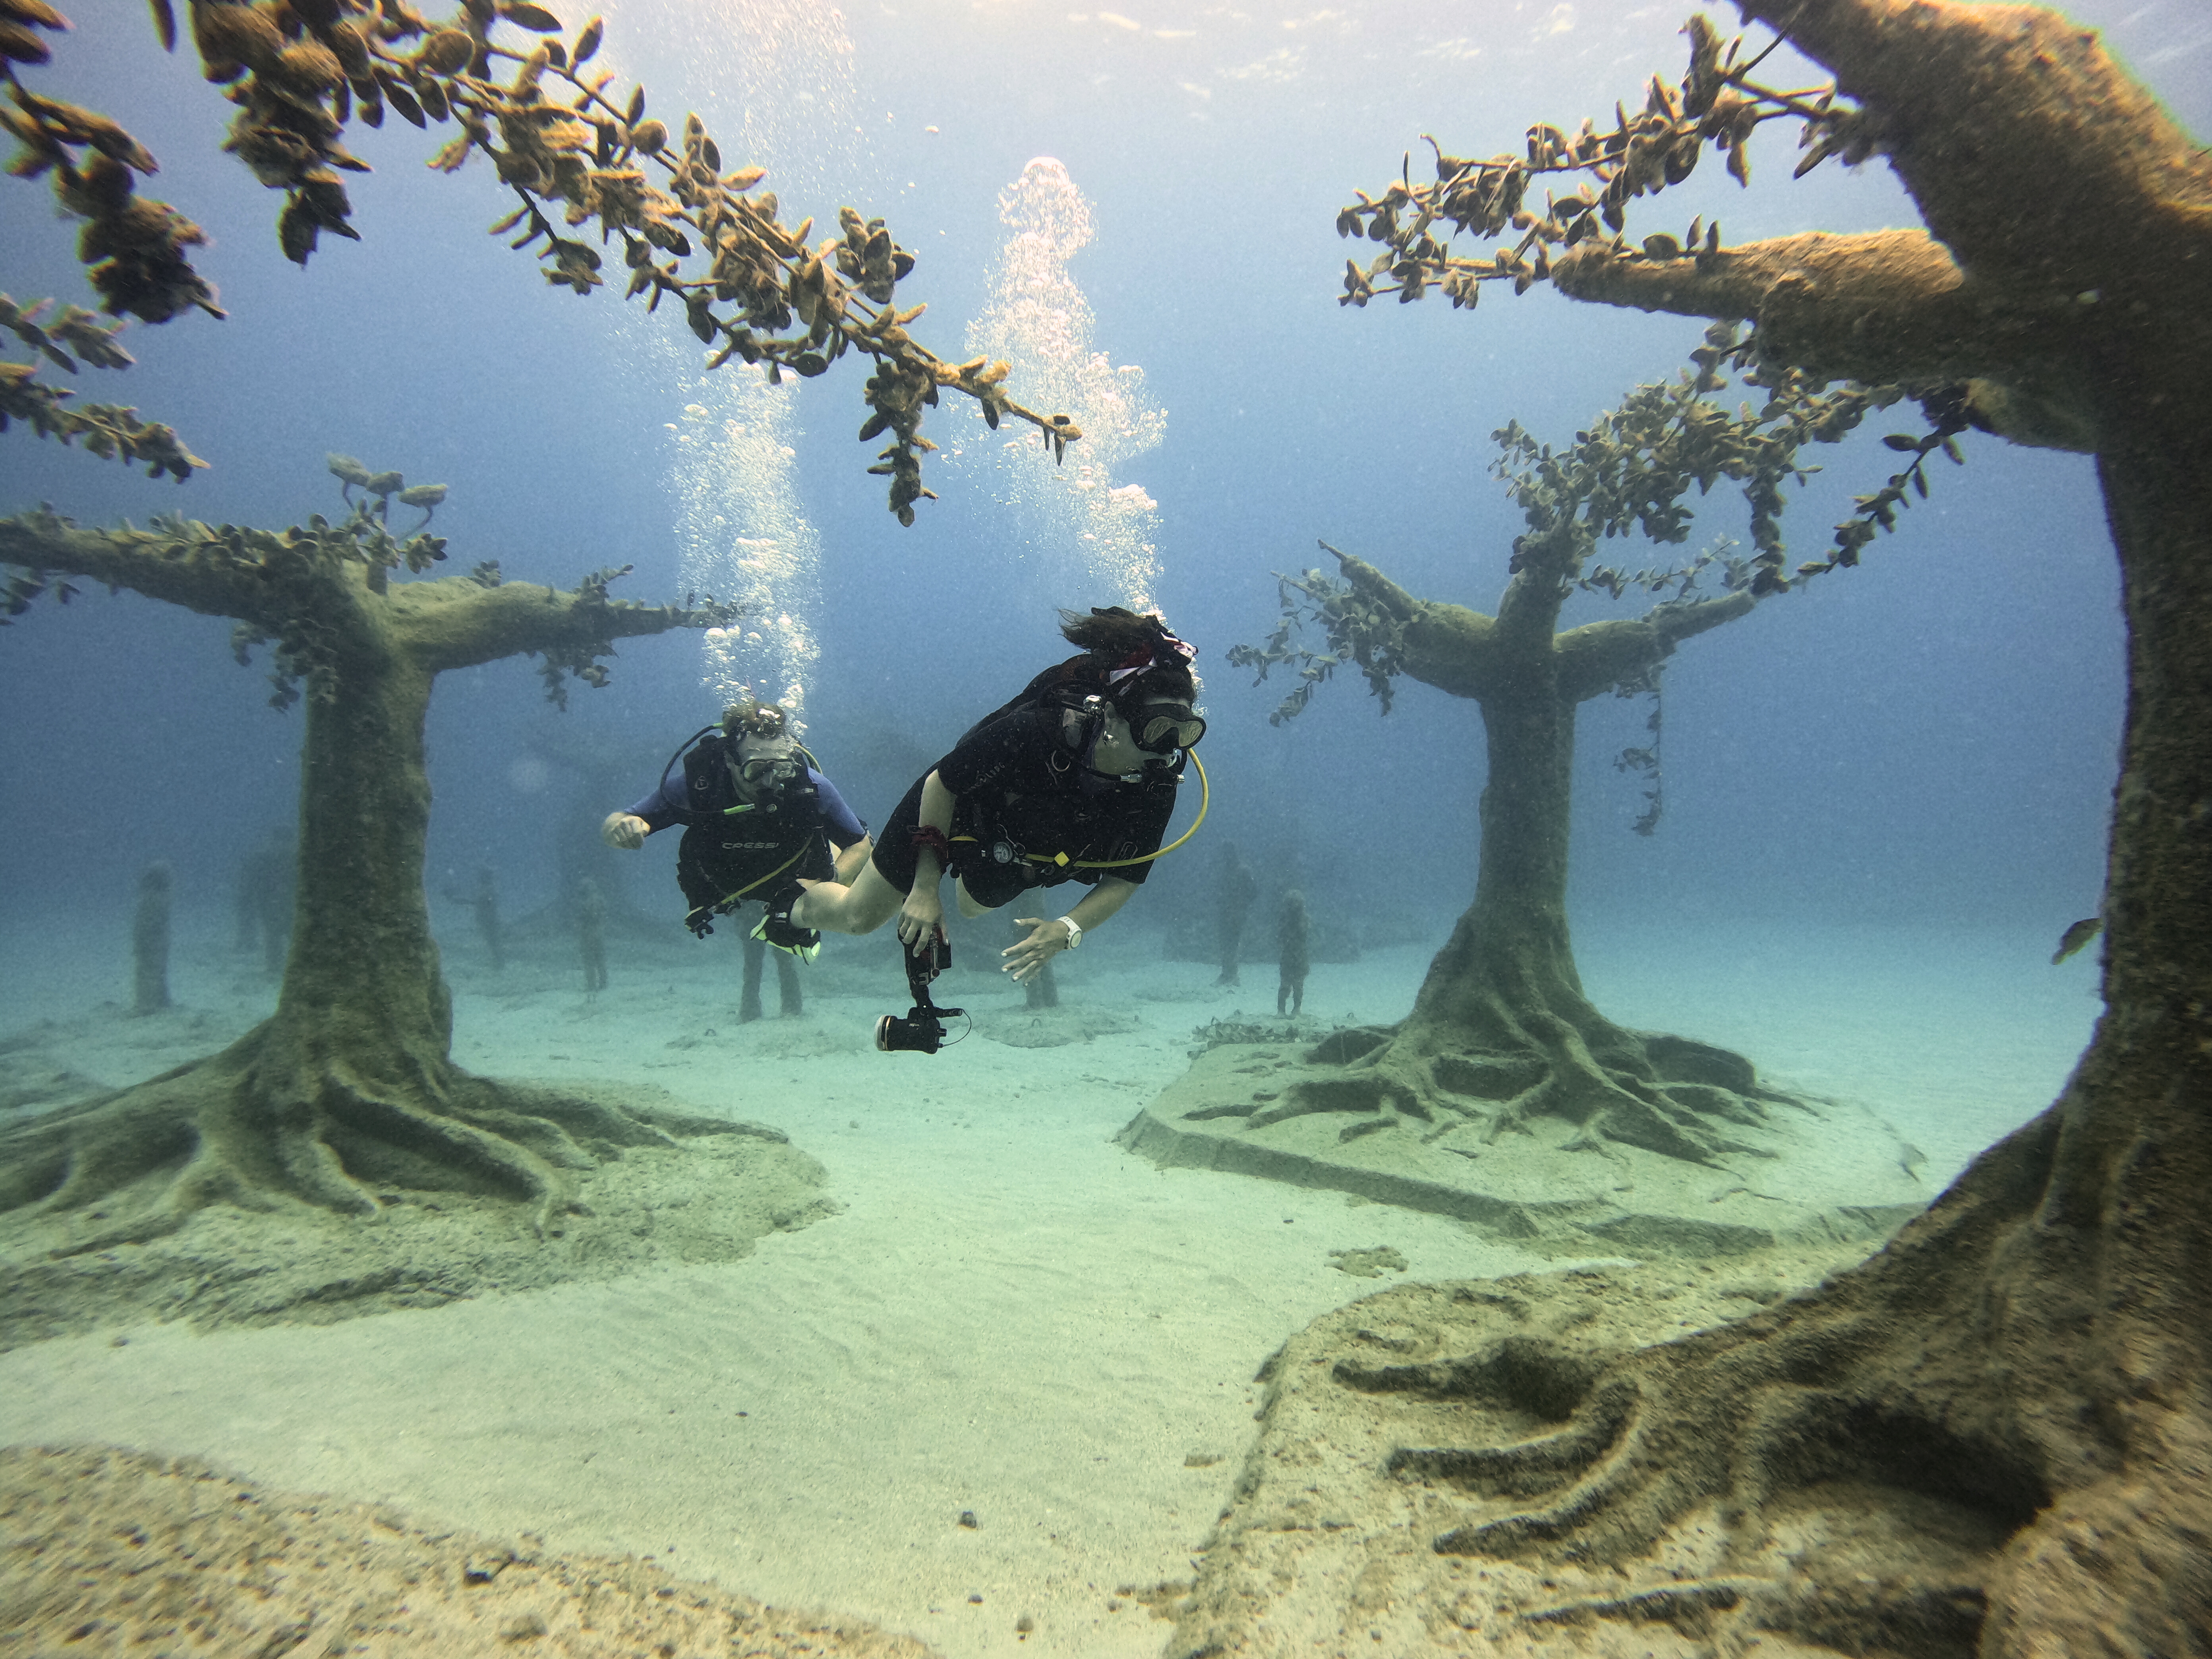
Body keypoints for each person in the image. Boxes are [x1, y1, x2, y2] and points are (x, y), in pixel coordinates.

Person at [790, 607, 1206, 984]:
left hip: (1012, 839)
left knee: (974, 906)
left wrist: (1068, 929)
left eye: (1184, 732)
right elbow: (943, 783)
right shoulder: (1038, 732)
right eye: (1156, 728)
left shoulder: (1158, 783)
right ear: (1113, 716)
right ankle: (791, 905)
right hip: (950, 809)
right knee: (859, 917)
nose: (1167, 747)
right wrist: (925, 886)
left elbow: (1126, 877)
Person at [601, 699, 873, 1014]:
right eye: (756, 769)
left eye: (781, 768)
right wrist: (624, 828)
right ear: (730, 760)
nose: (771, 782)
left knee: (790, 926)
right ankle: (752, 1005)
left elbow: (861, 844)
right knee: (752, 943)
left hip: (792, 882)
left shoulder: (810, 786)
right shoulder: (702, 785)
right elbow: (617, 822)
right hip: (729, 881)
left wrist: (828, 881)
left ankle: (789, 1004)